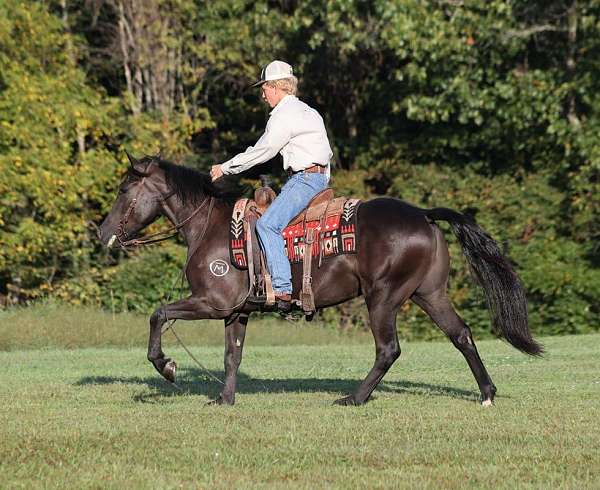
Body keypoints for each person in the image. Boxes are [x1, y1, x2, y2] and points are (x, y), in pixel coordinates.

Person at [210, 60, 333, 312]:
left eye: (264, 88)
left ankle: (282, 289)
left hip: (304, 180)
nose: (262, 94)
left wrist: (225, 167)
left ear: (276, 87)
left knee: (267, 225)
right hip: (318, 177)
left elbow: (263, 151)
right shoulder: (308, 111)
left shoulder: (283, 115)